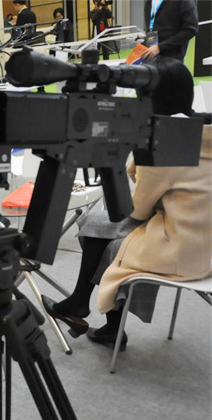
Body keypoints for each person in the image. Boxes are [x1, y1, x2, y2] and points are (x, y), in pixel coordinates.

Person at [43, 60, 211, 350]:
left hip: (182, 250)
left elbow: (138, 210)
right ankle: (84, 307)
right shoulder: (201, 128)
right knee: (98, 223)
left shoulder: (164, 143)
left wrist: (136, 156)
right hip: (204, 244)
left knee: (109, 240)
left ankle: (99, 318)